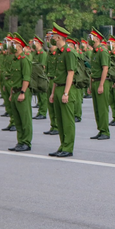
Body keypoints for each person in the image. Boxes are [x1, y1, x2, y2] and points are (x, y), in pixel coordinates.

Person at [48, 24, 78, 158]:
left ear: (59, 37)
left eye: (53, 37)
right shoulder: (58, 53)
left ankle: (68, 147)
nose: (52, 39)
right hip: (58, 87)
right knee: (59, 120)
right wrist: (53, 93)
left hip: (67, 89)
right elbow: (57, 75)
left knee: (67, 120)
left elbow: (70, 73)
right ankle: (62, 145)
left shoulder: (69, 52)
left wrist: (66, 93)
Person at [7, 33, 33, 152]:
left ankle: (26, 142)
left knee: (25, 119)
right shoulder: (14, 60)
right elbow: (14, 79)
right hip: (15, 91)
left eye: (14, 44)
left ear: (20, 46)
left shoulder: (24, 60)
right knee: (17, 119)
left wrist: (22, 92)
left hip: (23, 92)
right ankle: (20, 141)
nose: (12, 45)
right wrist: (12, 94)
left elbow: (26, 78)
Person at [88, 27, 110, 140]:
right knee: (97, 109)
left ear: (97, 38)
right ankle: (100, 129)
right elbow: (93, 70)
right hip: (95, 81)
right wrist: (90, 85)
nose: (89, 39)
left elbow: (105, 69)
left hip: (102, 82)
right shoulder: (94, 52)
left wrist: (101, 85)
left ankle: (105, 131)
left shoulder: (103, 51)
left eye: (91, 37)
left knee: (102, 108)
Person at [30, 36, 48, 120]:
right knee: (38, 95)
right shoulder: (34, 53)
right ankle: (40, 111)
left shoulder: (42, 54)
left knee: (43, 95)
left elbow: (43, 66)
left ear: (39, 44)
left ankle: (43, 112)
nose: (33, 44)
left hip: (41, 77)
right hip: (35, 77)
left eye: (35, 42)